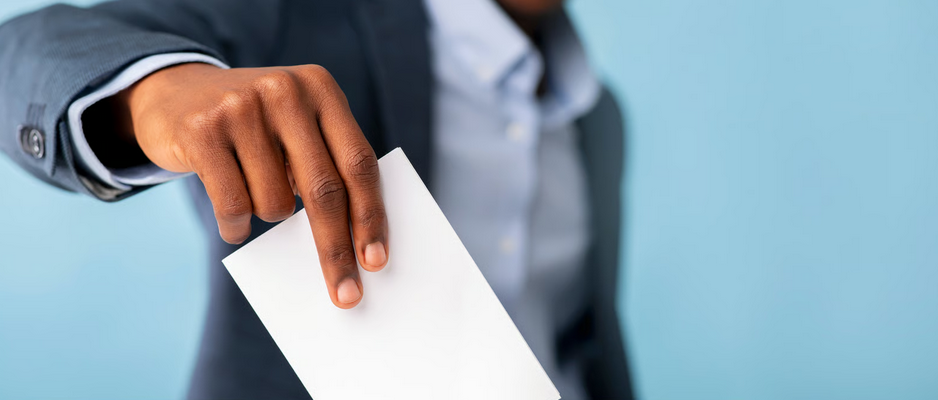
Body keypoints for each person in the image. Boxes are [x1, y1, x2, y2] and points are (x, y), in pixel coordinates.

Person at [0, 0, 633, 398]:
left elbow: (578, 334)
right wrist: (156, 90)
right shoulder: (300, 15)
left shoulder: (599, 120)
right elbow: (21, 51)